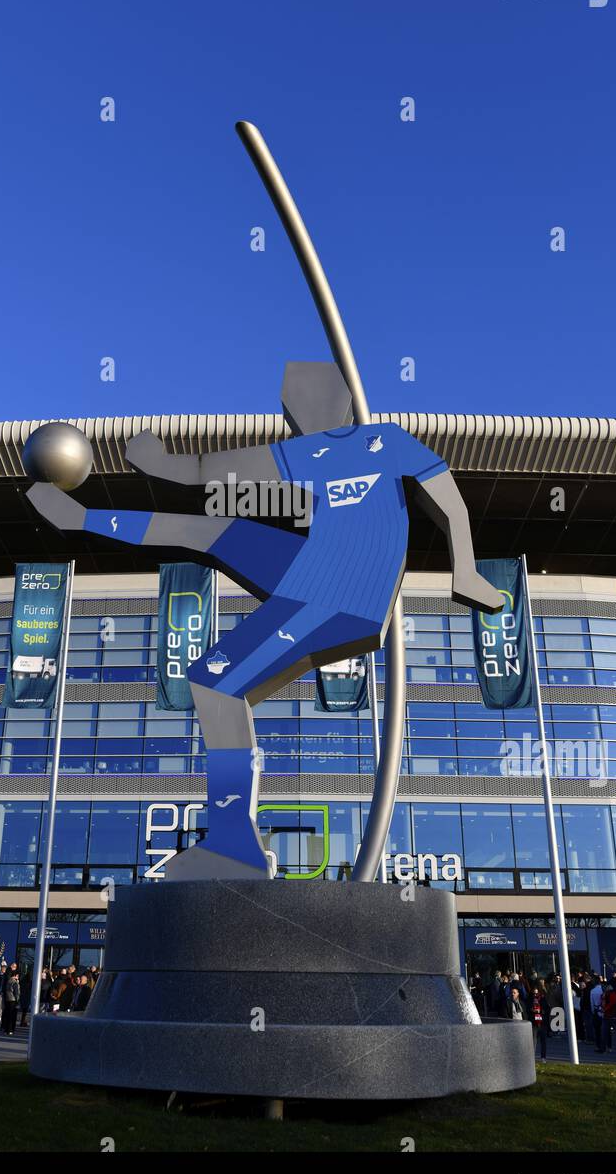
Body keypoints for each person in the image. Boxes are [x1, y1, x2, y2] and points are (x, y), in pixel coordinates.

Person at [29, 369, 503, 878]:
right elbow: (204, 472)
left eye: (294, 403)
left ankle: (234, 845)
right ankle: (83, 519)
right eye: (290, 404)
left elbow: (446, 497)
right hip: (312, 566)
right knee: (211, 530)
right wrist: (159, 464)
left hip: (338, 592)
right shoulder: (310, 451)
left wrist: (468, 570)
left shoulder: (378, 441)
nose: (295, 412)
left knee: (215, 684)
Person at [530, 981, 549, 1063]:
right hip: (534, 1022)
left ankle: (543, 1057)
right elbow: (527, 1008)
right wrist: (531, 1010)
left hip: (542, 1021)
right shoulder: (529, 999)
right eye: (534, 993)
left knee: (543, 1040)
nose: (535, 995)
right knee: (533, 1040)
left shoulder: (543, 999)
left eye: (536, 993)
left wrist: (540, 1010)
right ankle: (532, 1057)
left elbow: (547, 1009)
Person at [1, 970, 20, 1035]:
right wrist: (17, 1000)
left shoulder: (8, 981)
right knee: (12, 1016)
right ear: (15, 976)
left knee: (7, 1015)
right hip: (13, 1000)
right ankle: (10, 1030)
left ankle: (6, 1029)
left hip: (7, 999)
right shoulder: (15, 982)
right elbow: (16, 993)